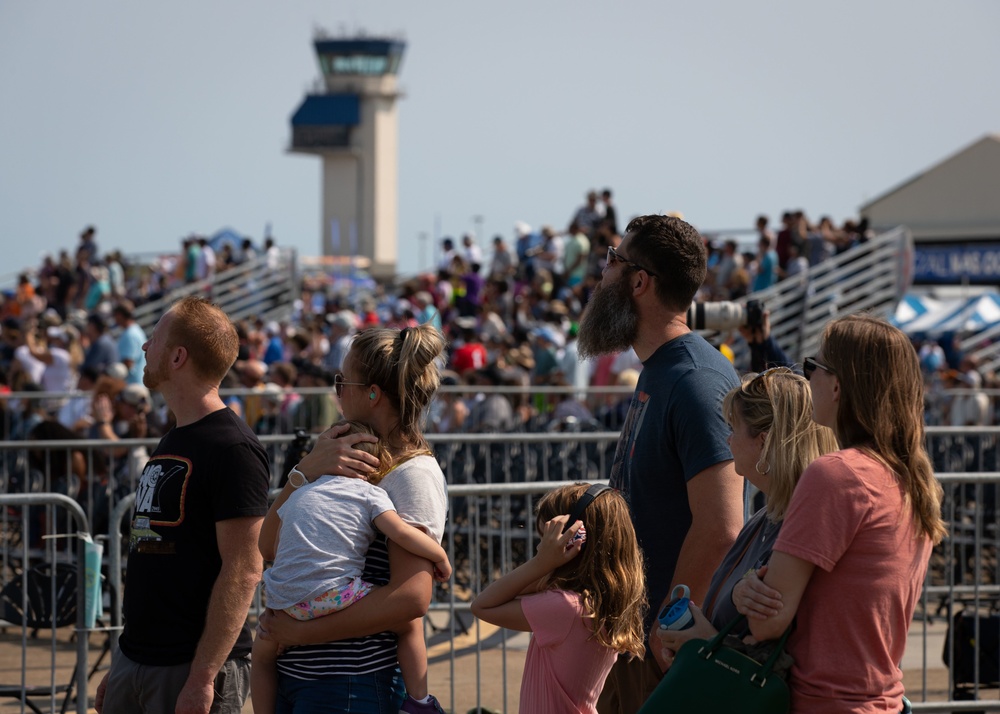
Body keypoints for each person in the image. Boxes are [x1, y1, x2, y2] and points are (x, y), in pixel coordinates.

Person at [736, 315, 947, 713]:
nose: (807, 377)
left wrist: (744, 586)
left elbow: (767, 622)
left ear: (836, 385)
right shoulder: (907, 479)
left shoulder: (837, 475)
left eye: (813, 367)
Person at [576, 213, 744, 713]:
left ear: (639, 281)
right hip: (631, 634)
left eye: (611, 261)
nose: (601, 274)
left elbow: (721, 526)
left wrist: (666, 625)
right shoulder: (661, 369)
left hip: (660, 645)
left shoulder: (695, 381)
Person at [257, 323, 450, 714]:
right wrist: (306, 469)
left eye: (342, 381)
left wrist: (301, 631)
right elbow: (267, 545)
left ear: (373, 394)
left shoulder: (412, 473)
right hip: (301, 676)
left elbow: (411, 597)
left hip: (353, 682)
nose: (337, 391)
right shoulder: (337, 453)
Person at [95, 296, 270, 714]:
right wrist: (123, 659)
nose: (143, 347)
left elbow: (244, 569)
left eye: (153, 338)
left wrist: (203, 678)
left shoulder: (233, 447)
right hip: (138, 660)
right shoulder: (175, 435)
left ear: (177, 356)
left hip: (189, 669)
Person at [655, 368, 838, 659]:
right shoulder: (765, 519)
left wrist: (703, 644)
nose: (728, 441)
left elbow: (779, 655)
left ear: (764, 443)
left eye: (733, 428)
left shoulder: (801, 529)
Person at [471, 483, 646, 714]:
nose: (540, 547)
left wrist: (541, 563)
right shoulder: (594, 603)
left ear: (573, 541)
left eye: (545, 540)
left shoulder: (564, 607)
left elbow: (483, 605)